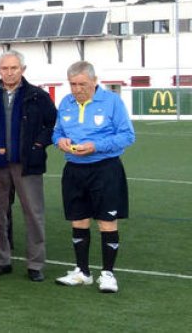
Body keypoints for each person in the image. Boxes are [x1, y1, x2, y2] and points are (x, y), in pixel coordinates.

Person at [0, 50, 56, 281]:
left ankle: (35, 264)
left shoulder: (38, 95)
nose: (9, 72)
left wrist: (38, 145)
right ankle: (0, 260)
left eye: (14, 68)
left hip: (27, 164)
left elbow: (52, 124)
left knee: (33, 214)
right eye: (5, 69)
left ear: (22, 70)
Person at [53, 61, 135, 293]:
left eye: (82, 84)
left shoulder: (112, 102)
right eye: (73, 84)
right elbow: (57, 132)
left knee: (106, 222)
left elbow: (127, 136)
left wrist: (96, 146)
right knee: (78, 220)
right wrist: (60, 141)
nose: (77, 89)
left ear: (94, 81)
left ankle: (108, 274)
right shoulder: (66, 103)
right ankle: (82, 272)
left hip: (105, 169)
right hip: (74, 170)